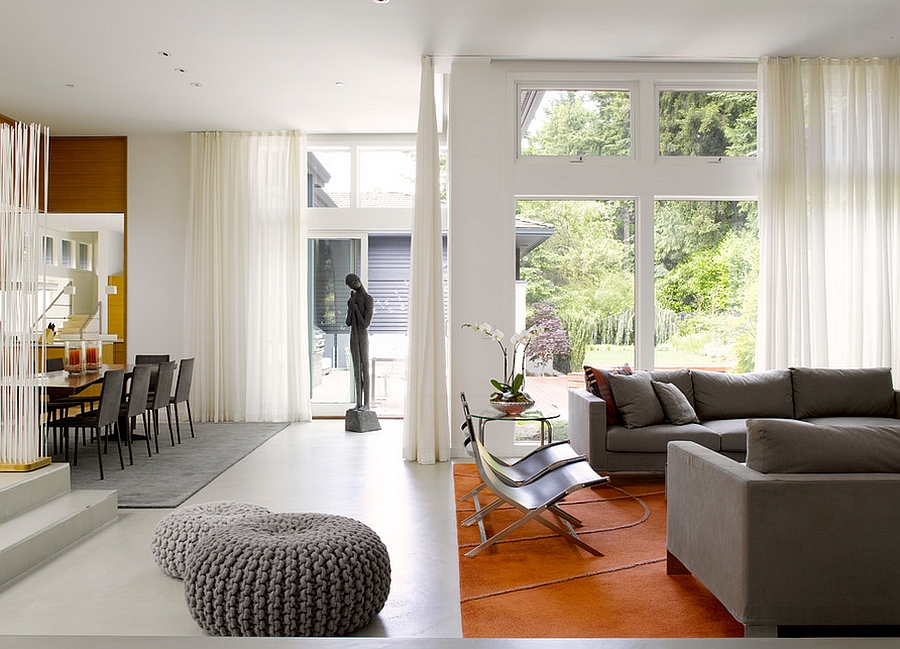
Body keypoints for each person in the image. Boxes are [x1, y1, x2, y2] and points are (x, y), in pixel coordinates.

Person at [345, 273, 374, 410]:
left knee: (365, 369)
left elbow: (365, 324)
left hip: (362, 337)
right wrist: (351, 307)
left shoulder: (368, 299)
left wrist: (356, 309)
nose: (351, 286)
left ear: (357, 280)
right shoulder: (352, 299)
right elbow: (348, 322)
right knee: (356, 370)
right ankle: (358, 403)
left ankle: (367, 404)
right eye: (349, 285)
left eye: (351, 283)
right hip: (353, 337)